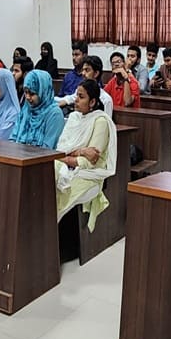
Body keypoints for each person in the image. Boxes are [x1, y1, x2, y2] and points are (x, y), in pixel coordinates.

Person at [54, 79, 118, 232]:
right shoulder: (74, 117)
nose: (76, 100)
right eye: (76, 95)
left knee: (63, 194)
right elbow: (60, 149)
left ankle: (53, 234)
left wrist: (69, 155)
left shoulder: (100, 121)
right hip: (67, 166)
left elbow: (89, 162)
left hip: (89, 175)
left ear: (92, 102)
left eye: (81, 96)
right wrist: (81, 151)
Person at [11, 69, 66, 149]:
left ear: (43, 92)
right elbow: (13, 137)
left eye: (32, 93)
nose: (27, 97)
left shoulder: (55, 114)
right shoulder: (26, 109)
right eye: (25, 92)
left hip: (40, 156)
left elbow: (48, 149)